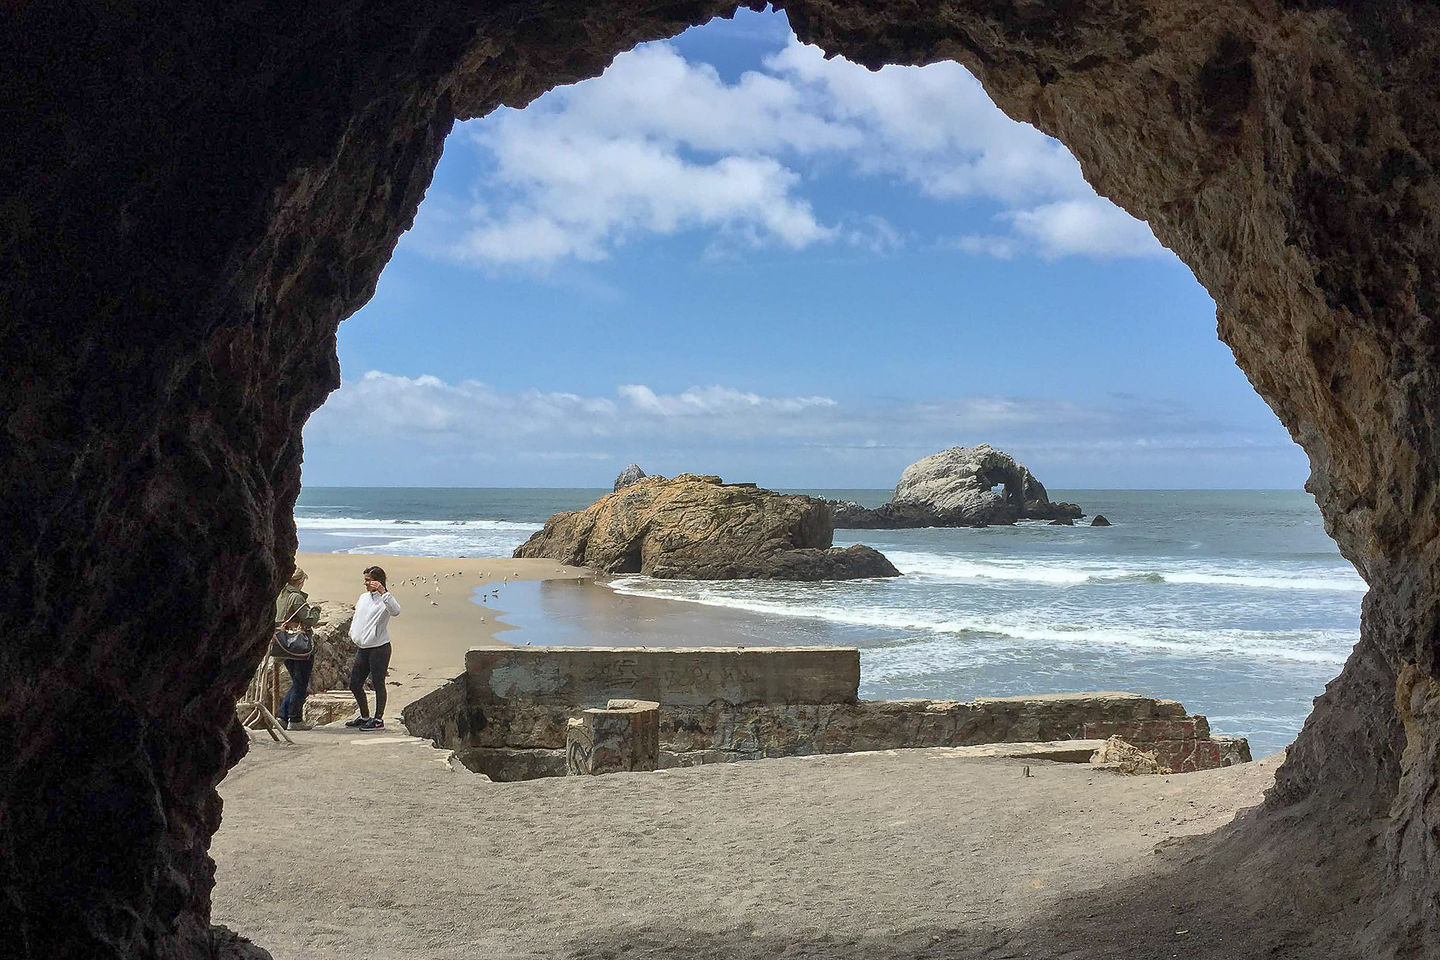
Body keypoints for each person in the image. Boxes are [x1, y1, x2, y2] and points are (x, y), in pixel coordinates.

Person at [346, 565, 401, 730]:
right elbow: (358, 617)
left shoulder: (385, 599)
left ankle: (378, 719)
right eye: (365, 580)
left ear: (378, 581)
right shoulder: (363, 597)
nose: (366, 584)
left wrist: (384, 592)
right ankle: (364, 716)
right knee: (355, 684)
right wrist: (352, 633)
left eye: (368, 580)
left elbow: (396, 611)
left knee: (378, 683)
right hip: (363, 648)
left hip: (379, 648)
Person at [274, 567, 321, 731]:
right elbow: (310, 620)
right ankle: (294, 719)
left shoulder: (280, 596)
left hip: (283, 644)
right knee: (301, 683)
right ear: (300, 582)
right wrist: (316, 610)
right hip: (298, 645)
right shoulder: (295, 597)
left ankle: (282, 716)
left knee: (296, 682)